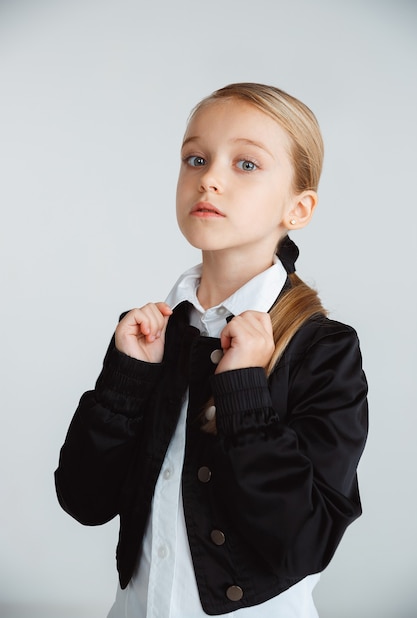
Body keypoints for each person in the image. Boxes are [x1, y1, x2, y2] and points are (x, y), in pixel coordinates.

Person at [55, 83, 368, 617]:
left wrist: (244, 388)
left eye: (246, 164)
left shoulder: (326, 350)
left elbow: (302, 544)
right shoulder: (150, 335)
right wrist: (127, 382)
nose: (210, 179)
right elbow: (84, 501)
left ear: (299, 207)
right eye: (195, 158)